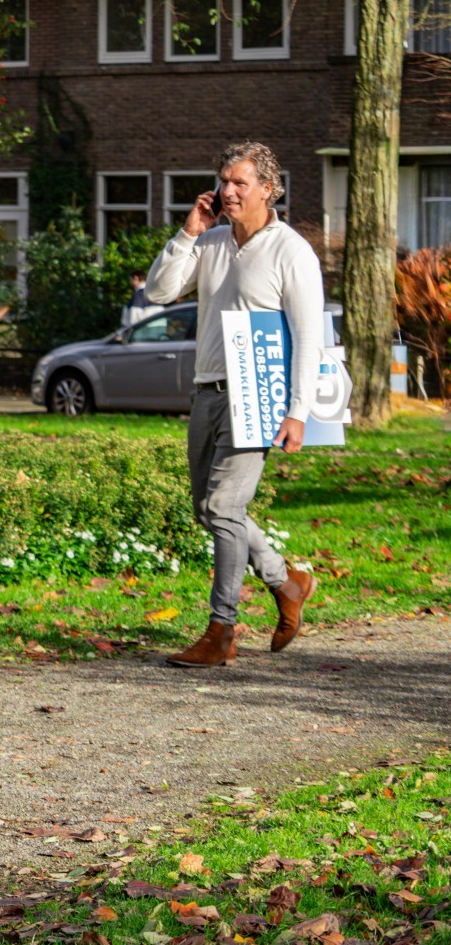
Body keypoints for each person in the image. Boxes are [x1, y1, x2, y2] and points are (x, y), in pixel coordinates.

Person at [144, 141, 322, 668]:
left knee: (223, 508)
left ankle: (221, 631)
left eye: (239, 182)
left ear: (268, 189)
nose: (227, 191)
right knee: (208, 509)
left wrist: (297, 411)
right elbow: (158, 293)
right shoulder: (212, 241)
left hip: (258, 392)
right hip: (207, 391)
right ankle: (286, 582)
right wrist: (188, 234)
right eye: (223, 181)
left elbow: (308, 338)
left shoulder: (291, 251)